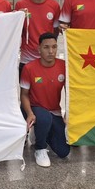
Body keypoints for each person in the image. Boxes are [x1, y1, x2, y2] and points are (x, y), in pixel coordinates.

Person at [20, 33, 70, 167]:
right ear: (39, 49)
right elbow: (24, 95)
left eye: (54, 47)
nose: (51, 51)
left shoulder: (64, 66)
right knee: (44, 118)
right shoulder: (29, 68)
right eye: (46, 47)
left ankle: (40, 132)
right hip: (34, 108)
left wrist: (68, 112)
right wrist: (30, 113)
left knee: (63, 152)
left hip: (54, 111)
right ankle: (40, 148)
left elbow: (70, 92)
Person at [15, 0, 60, 73]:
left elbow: (56, 31)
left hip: (47, 59)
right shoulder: (20, 5)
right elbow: (16, 31)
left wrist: (49, 48)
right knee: (26, 89)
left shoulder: (54, 5)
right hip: (27, 59)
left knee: (47, 88)